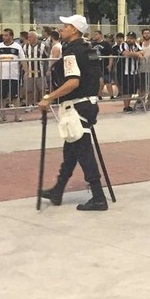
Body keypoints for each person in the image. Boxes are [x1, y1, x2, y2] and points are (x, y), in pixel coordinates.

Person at [39, 14, 109, 212]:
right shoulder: (90, 50)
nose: (62, 28)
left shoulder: (71, 52)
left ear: (75, 30)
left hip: (77, 106)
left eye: (66, 26)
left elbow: (72, 82)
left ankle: (98, 197)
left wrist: (48, 97)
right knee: (71, 150)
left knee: (84, 151)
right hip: (89, 103)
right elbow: (99, 80)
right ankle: (58, 190)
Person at [0, 29, 24, 122]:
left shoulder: (17, 46)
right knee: (2, 96)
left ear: (11, 36)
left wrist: (27, 71)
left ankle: (17, 115)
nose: (4, 37)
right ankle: (2, 115)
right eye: (3, 35)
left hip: (14, 76)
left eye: (6, 35)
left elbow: (23, 60)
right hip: (2, 76)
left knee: (15, 97)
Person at [117, 31, 142, 112]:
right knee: (125, 89)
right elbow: (125, 53)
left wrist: (137, 53)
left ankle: (128, 105)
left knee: (131, 89)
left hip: (134, 71)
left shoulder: (136, 45)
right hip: (125, 70)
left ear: (134, 39)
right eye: (128, 38)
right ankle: (126, 106)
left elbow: (143, 51)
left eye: (131, 38)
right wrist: (137, 54)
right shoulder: (124, 44)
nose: (129, 40)